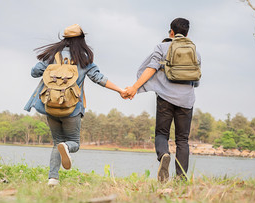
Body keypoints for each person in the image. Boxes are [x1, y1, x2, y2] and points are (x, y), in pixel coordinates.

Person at [24, 24, 126, 186]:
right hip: (72, 109)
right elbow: (99, 78)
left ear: (65, 39)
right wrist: (121, 90)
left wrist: (50, 65)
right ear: (81, 40)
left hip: (50, 106)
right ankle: (66, 146)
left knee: (57, 142)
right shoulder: (83, 58)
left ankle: (52, 178)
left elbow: (34, 72)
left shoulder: (52, 56)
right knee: (73, 143)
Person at [125, 18, 201, 182]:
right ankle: (181, 178)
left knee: (162, 133)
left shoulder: (162, 47)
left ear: (171, 32)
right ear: (187, 33)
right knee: (182, 140)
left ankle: (164, 154)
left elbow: (151, 69)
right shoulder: (195, 51)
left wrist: (134, 88)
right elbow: (196, 81)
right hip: (186, 101)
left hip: (165, 98)